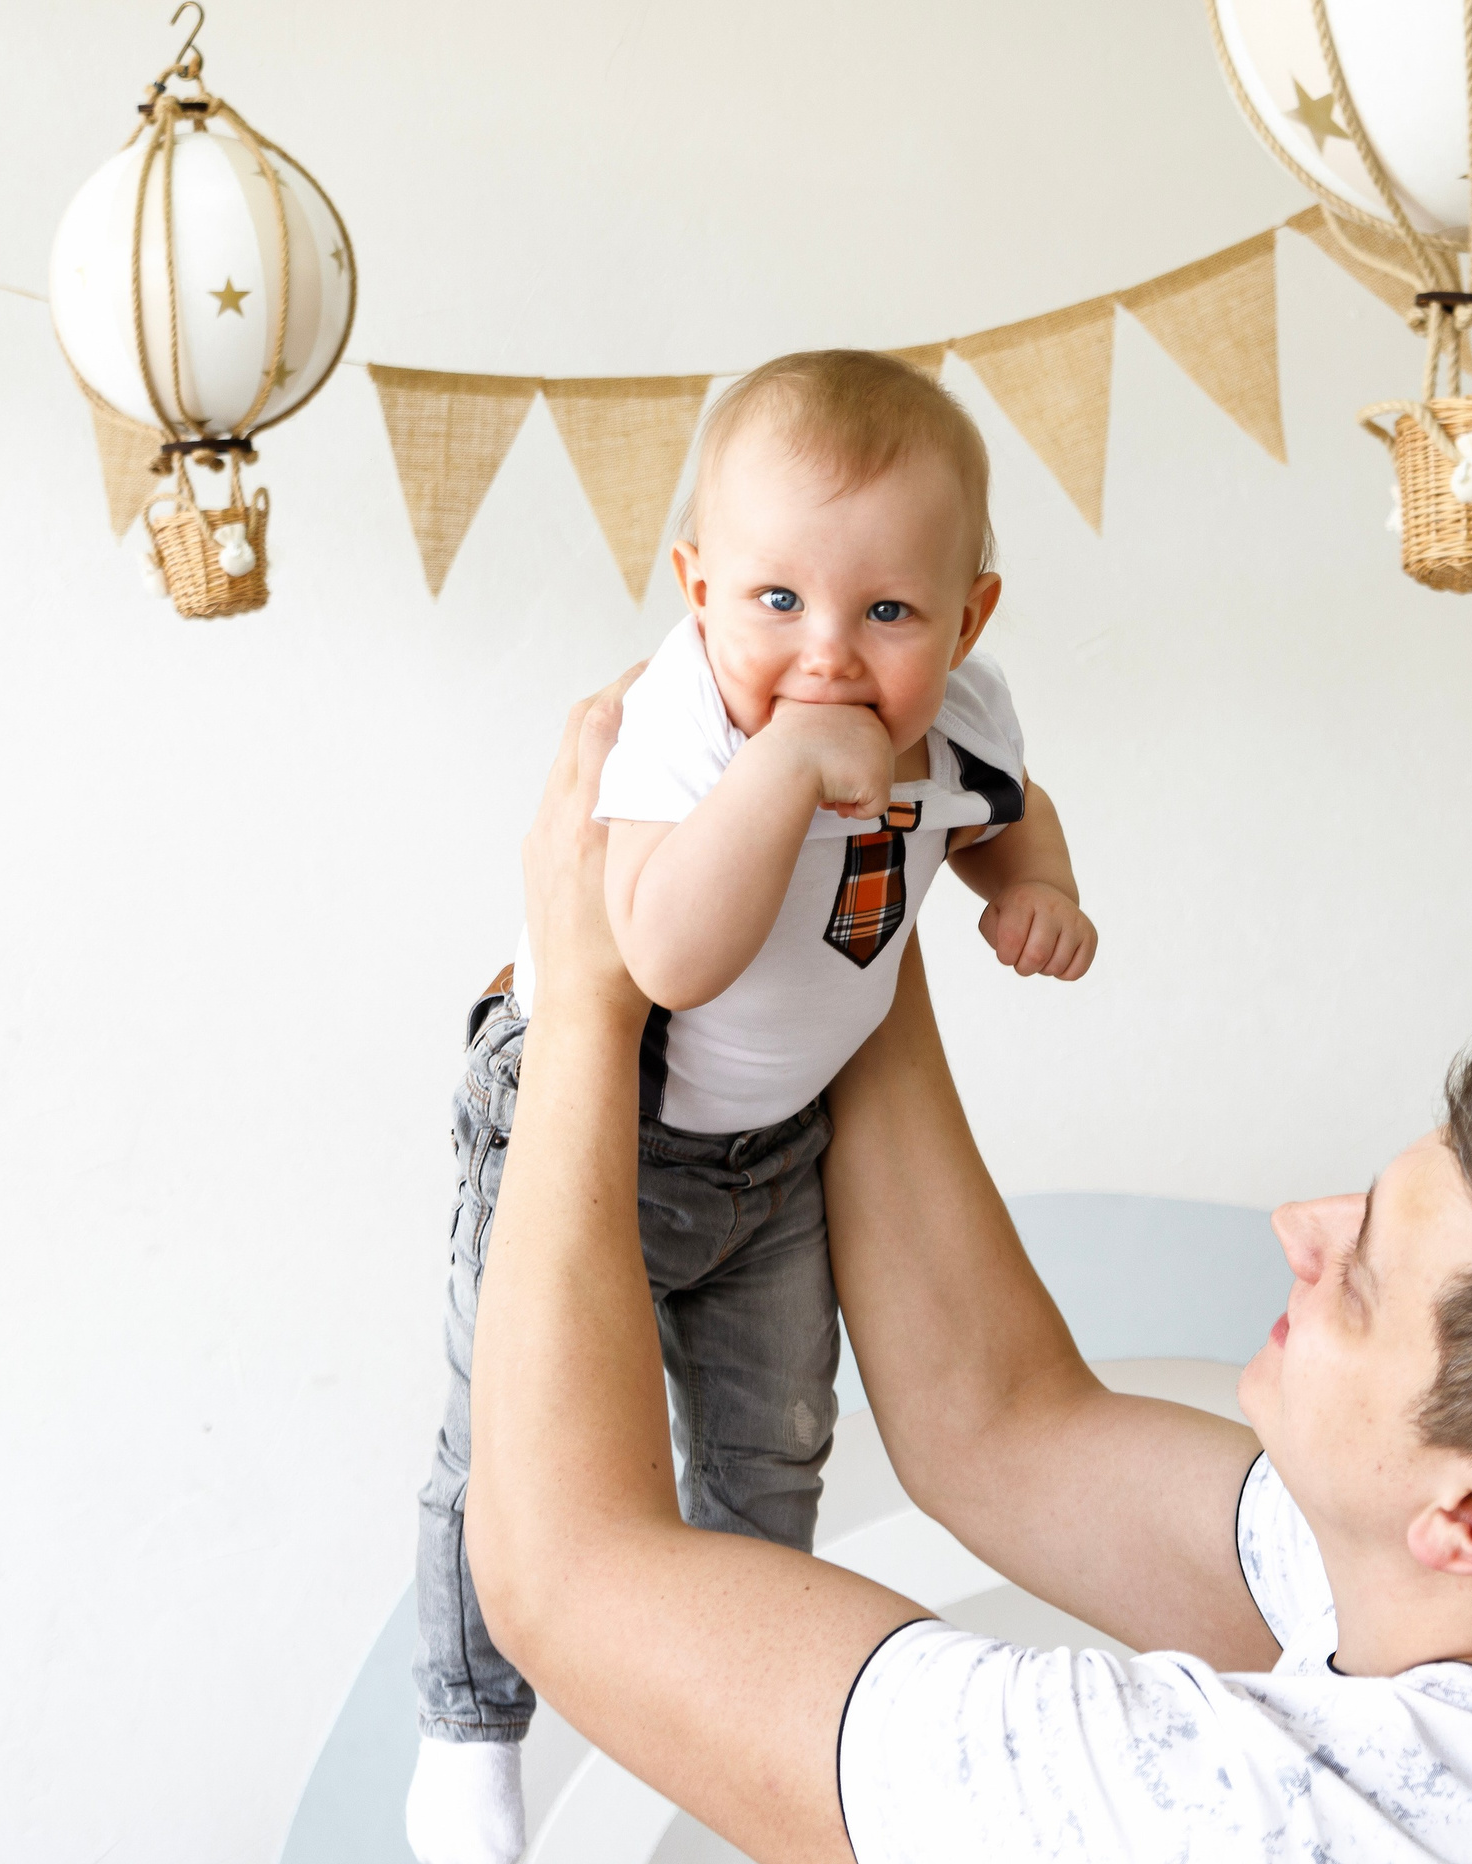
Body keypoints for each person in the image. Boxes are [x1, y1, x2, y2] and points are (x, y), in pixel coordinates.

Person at [460, 680, 1472, 1862]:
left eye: (1358, 1274)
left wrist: (584, 1007)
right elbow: (1008, 1427)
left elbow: (564, 1573)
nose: (1301, 1224)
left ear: (1470, 1513)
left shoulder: (1206, 1816)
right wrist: (864, 868)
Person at [407, 352, 1098, 1864]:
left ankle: (722, 1714)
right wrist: (785, 772)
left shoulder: (967, 715)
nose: (828, 656)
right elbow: (660, 949)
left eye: (888, 614)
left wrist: (1030, 885)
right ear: (698, 584)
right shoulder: (689, 725)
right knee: (509, 1448)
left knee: (775, 1441)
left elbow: (1000, 804)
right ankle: (468, 1728)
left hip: (780, 1150)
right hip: (587, 1112)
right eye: (776, 603)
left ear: (969, 618)